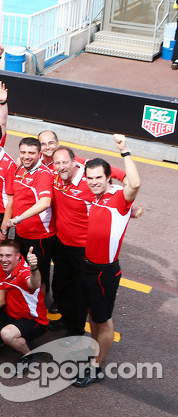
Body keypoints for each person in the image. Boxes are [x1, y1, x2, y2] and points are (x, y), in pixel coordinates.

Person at [74, 134, 141, 387]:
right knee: (92, 314)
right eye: (89, 178)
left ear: (108, 178)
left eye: (98, 178)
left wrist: (124, 152)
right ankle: (93, 355)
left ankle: (96, 367)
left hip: (105, 272)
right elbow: (74, 159)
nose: (93, 183)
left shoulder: (119, 199)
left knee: (104, 321)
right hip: (88, 265)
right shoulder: (95, 197)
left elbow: (135, 183)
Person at [0, 240, 48, 373]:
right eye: (1, 255)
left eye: (8, 256)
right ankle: (16, 340)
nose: (4, 259)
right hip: (10, 316)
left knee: (7, 334)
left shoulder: (24, 272)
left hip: (33, 320)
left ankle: (28, 355)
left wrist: (34, 267)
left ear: (18, 256)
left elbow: (35, 283)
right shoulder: (3, 265)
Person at [1, 137, 55, 301]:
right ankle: (24, 302)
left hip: (39, 237)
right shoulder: (20, 169)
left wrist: (17, 219)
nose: (27, 156)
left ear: (39, 154)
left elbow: (45, 202)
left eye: (31, 153)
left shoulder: (44, 174)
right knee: (22, 269)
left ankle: (40, 310)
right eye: (23, 152)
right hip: (21, 233)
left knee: (40, 274)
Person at [49, 145, 92, 336]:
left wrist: (131, 210)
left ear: (75, 161)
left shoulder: (89, 182)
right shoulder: (56, 176)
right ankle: (65, 319)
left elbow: (115, 197)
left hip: (83, 249)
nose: (61, 166)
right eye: (57, 163)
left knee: (78, 292)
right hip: (61, 243)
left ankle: (76, 330)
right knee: (59, 286)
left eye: (65, 162)